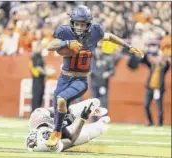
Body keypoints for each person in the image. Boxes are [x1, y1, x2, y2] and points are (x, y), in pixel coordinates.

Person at [46, 5, 144, 147]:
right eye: (77, 24)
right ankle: (65, 129)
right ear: (72, 23)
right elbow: (51, 45)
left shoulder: (95, 32)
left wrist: (128, 46)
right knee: (58, 114)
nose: (80, 27)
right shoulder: (65, 32)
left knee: (61, 100)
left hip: (80, 79)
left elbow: (109, 37)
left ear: (89, 24)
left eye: (83, 24)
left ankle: (57, 132)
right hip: (64, 77)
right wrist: (66, 42)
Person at [26, 98, 110, 152]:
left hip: (55, 122)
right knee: (101, 128)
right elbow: (71, 140)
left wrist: (65, 114)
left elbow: (54, 110)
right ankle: (101, 123)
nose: (51, 136)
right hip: (62, 134)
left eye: (48, 134)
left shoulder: (38, 115)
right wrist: (83, 119)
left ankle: (86, 109)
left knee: (70, 111)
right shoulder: (48, 146)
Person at [142, 53, 170, 126]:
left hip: (158, 89)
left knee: (159, 106)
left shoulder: (164, 67)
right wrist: (144, 52)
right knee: (146, 105)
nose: (158, 59)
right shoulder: (153, 65)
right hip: (150, 88)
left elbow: (167, 65)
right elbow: (145, 61)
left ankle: (160, 122)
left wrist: (165, 58)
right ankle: (150, 121)